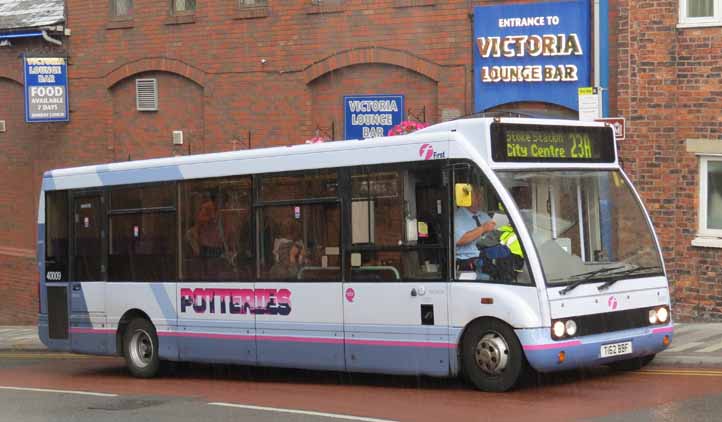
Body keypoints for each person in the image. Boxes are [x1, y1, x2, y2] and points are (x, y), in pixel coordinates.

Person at [455, 183, 497, 275]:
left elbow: (494, 232)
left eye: (481, 196)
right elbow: (460, 239)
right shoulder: (457, 217)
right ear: (467, 198)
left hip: (488, 259)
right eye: (477, 196)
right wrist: (482, 229)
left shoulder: (484, 216)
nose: (480, 199)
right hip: (467, 263)